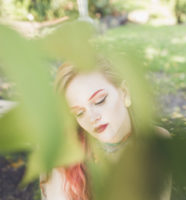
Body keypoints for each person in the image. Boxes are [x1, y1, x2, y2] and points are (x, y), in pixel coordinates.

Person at [40, 57, 171, 200]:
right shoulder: (65, 157)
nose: (92, 117)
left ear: (124, 92)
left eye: (99, 101)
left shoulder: (158, 142)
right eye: (80, 113)